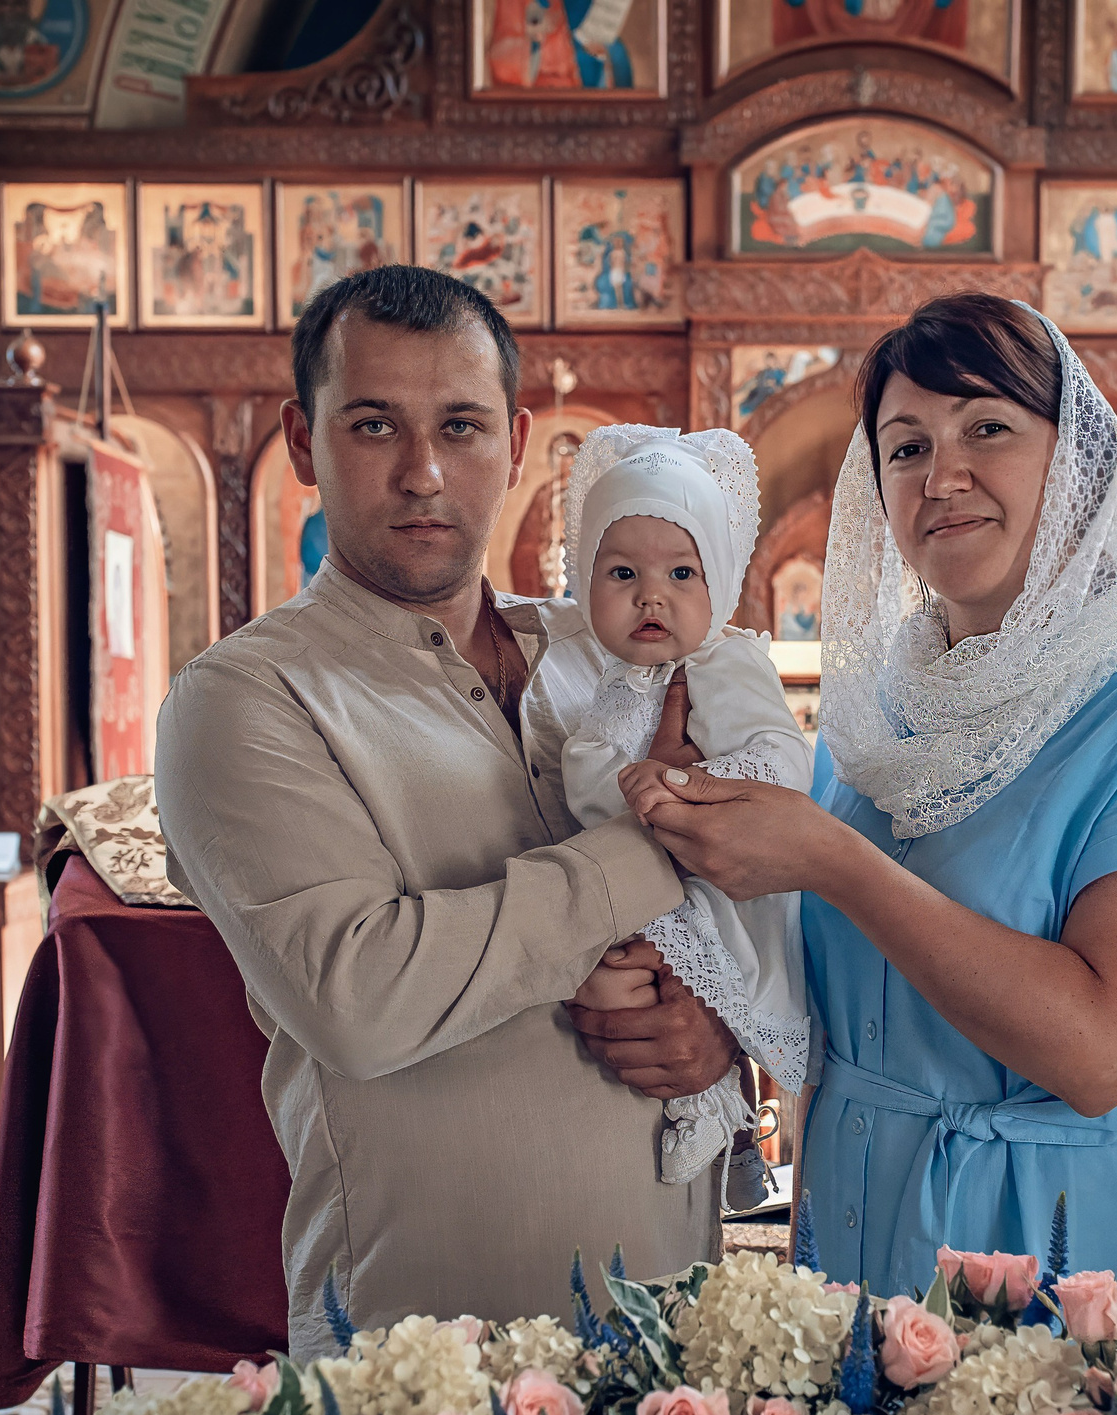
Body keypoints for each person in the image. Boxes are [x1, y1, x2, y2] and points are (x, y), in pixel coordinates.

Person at [627, 295, 1117, 1320]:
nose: (942, 477)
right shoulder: (876, 711)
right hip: (858, 1216)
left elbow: (1099, 1050)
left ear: (1074, 461)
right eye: (904, 447)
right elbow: (836, 982)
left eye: (987, 429)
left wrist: (834, 861)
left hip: (1071, 1243)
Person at [155, 266, 733, 1354]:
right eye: (374, 424)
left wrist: (713, 1035)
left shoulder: (604, 651)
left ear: (515, 447)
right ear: (300, 439)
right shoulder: (244, 699)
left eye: (459, 426)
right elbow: (356, 991)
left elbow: (735, 917)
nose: (423, 472)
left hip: (675, 1347)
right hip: (421, 1359)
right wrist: (646, 847)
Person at [539, 426, 812, 1197]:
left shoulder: (724, 662)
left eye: (681, 573)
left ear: (719, 585)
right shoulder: (606, 678)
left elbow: (779, 758)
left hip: (715, 876)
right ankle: (711, 1117)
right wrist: (629, 780)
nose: (650, 595)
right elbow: (591, 770)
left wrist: (687, 785)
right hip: (642, 874)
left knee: (686, 975)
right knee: (634, 974)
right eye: (621, 572)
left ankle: (718, 1118)